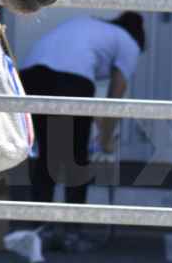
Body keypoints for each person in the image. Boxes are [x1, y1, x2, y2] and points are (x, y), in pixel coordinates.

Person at [20, 13, 144, 209]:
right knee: (76, 157)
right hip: (70, 81)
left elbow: (75, 84)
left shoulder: (92, 28)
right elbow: (115, 96)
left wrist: (100, 125)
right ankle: (72, 229)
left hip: (31, 77)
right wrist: (105, 140)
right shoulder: (130, 43)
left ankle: (38, 224)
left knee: (47, 154)